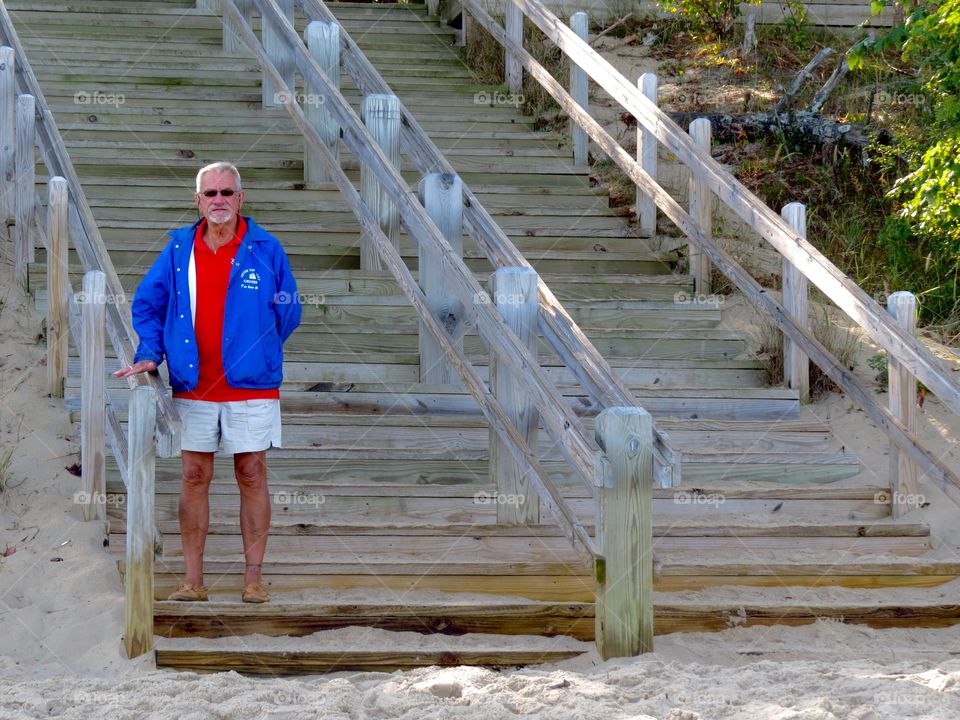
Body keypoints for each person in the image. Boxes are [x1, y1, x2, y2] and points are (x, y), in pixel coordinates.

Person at [115, 161, 301, 604]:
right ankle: (192, 581)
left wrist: (261, 351)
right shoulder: (180, 248)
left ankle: (253, 578)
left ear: (241, 198)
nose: (219, 200)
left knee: (251, 473)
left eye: (227, 192)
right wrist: (149, 353)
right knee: (194, 475)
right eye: (211, 193)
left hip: (251, 386)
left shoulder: (266, 247)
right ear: (197, 201)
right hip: (193, 384)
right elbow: (148, 302)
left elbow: (288, 311)